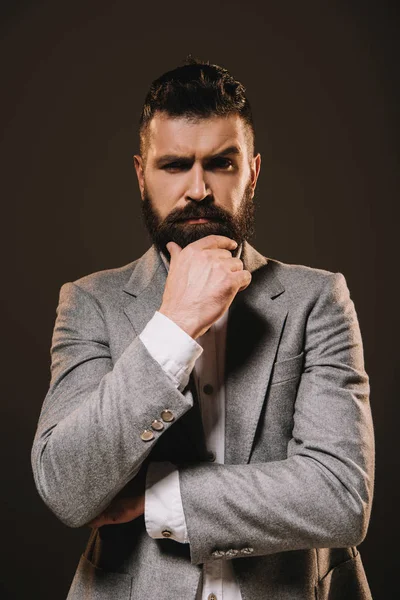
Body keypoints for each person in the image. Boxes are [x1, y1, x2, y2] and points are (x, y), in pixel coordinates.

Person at [31, 56, 375, 600]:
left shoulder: (317, 300)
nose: (198, 189)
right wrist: (175, 324)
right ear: (141, 173)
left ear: (253, 172)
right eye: (174, 165)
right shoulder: (90, 302)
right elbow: (67, 488)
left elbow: (339, 495)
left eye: (220, 163)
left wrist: (158, 498)